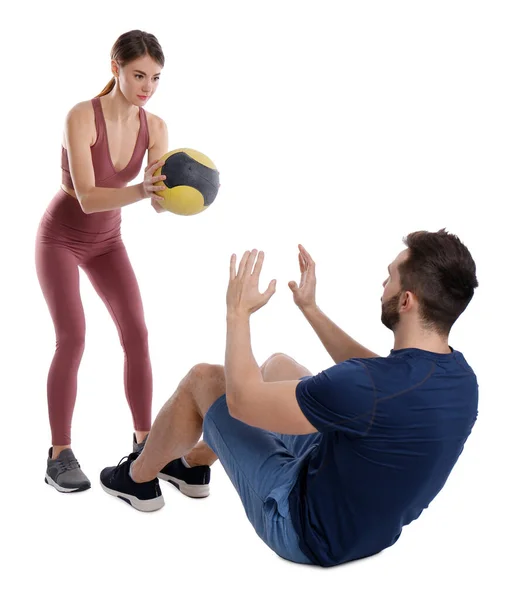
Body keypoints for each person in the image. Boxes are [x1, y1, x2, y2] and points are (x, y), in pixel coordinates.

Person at [100, 229, 479, 568]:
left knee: (204, 379)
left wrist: (238, 313)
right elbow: (381, 379)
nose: (384, 283)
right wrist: (310, 308)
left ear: (407, 301)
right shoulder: (460, 379)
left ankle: (137, 478)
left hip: (304, 529)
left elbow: (243, 402)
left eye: (391, 277)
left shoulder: (367, 386)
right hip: (370, 527)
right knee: (279, 364)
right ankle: (193, 465)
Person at [35, 30, 171, 493]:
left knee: (137, 332)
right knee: (72, 336)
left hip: (108, 241)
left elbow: (157, 200)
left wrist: (180, 193)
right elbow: (91, 197)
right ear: (115, 67)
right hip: (61, 238)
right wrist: (142, 191)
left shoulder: (156, 128)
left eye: (155, 78)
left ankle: (144, 443)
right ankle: (58, 454)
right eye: (138, 75)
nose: (146, 87)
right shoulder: (80, 116)